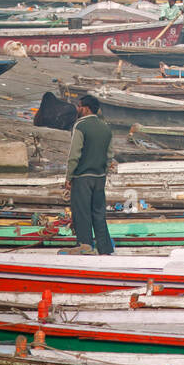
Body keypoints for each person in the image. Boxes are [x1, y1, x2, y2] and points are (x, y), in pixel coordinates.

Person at [62, 95, 114, 255]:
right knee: (99, 214)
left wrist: (68, 177)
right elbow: (110, 155)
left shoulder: (80, 126)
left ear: (86, 108)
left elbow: (74, 156)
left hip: (82, 178)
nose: (77, 109)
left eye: (79, 106)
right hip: (99, 178)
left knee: (82, 214)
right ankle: (105, 249)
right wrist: (103, 172)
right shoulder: (106, 127)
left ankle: (85, 247)